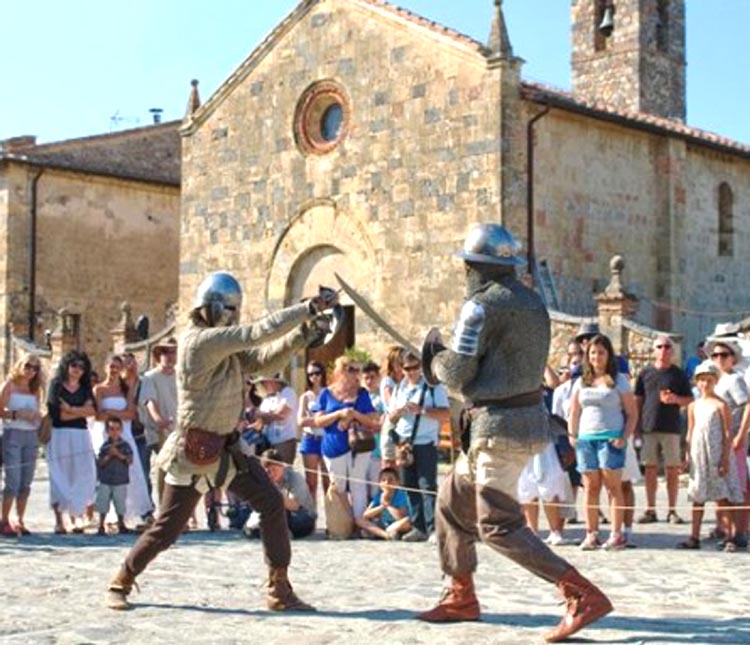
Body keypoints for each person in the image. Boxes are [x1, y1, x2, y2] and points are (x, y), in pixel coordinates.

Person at [418, 223, 612, 643]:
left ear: (476, 266)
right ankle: (461, 594)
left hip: (497, 430)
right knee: (452, 499)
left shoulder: (479, 307)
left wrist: (433, 360)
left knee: (498, 524)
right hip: (522, 421)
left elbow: (457, 373)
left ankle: (581, 594)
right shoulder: (533, 302)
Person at [106, 270, 336, 611]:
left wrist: (303, 335)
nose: (231, 316)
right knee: (167, 530)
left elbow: (263, 360)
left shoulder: (223, 345)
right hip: (193, 451)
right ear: (209, 308)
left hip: (228, 449)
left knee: (272, 504)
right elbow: (257, 334)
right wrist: (307, 308)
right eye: (227, 309)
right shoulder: (199, 342)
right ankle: (121, 580)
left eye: (234, 310)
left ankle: (279, 589)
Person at [568, 334, 638, 551]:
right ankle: (592, 533)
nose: (596, 356)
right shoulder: (581, 382)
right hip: (587, 440)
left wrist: (624, 437)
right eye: (592, 353)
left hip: (610, 439)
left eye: (600, 352)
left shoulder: (619, 381)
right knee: (590, 488)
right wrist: (573, 435)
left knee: (613, 487)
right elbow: (574, 412)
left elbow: (632, 413)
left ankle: (616, 534)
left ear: (608, 355)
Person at [678, 360, 743, 549]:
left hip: (716, 455)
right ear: (697, 382)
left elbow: (727, 433)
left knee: (722, 496)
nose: (705, 384)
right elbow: (690, 431)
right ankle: (694, 536)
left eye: (708, 380)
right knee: (697, 496)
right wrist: (687, 456)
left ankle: (729, 536)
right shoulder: (693, 406)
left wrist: (724, 459)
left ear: (714, 381)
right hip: (699, 456)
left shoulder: (721, 405)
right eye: (701, 380)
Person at [388, 350, 450, 541]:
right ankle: (418, 527)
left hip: (425, 442)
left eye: (415, 368)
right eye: (408, 369)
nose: (412, 372)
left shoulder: (433, 388)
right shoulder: (399, 388)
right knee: (409, 486)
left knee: (427, 486)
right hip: (404, 443)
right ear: (402, 369)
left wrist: (421, 410)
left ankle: (434, 529)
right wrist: (398, 412)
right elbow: (390, 417)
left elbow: (445, 414)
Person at [311, 356, 380, 522]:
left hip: (359, 445)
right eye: (351, 369)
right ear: (340, 371)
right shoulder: (326, 393)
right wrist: (338, 414)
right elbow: (317, 421)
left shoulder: (362, 393)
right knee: (338, 485)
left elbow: (373, 421)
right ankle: (341, 524)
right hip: (334, 446)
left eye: (357, 370)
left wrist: (354, 415)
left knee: (358, 485)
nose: (356, 373)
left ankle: (360, 524)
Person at [635, 335, 693, 524]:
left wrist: (675, 399)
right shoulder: (645, 374)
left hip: (671, 427)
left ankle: (672, 509)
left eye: (667, 346)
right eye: (659, 346)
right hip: (648, 427)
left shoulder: (678, 374)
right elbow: (638, 401)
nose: (663, 350)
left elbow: (690, 400)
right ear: (654, 350)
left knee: (672, 469)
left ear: (672, 350)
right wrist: (636, 428)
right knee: (650, 469)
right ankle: (650, 509)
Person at [92, 355, 153, 523]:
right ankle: (108, 515)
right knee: (107, 471)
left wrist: (111, 415)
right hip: (104, 434)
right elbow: (98, 415)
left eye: (117, 367)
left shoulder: (126, 390)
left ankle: (131, 513)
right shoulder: (99, 389)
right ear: (106, 368)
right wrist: (118, 416)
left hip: (124, 433)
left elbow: (131, 414)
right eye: (111, 366)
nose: (114, 370)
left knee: (131, 473)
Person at [47, 351, 97, 534]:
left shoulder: (84, 388)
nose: (78, 370)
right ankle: (59, 519)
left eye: (82, 367)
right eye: (74, 365)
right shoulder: (56, 385)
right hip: (60, 434)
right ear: (67, 366)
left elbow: (93, 411)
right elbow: (56, 414)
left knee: (83, 474)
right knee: (59, 475)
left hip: (81, 435)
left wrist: (70, 409)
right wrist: (80, 411)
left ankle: (77, 516)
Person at [708, 338, 750, 551]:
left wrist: (741, 434)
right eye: (715, 355)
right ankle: (724, 528)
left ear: (732, 358)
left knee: (738, 486)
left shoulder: (735, 380)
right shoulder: (717, 380)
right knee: (723, 486)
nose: (719, 359)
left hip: (733, 440)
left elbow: (747, 406)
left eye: (724, 355)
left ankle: (740, 531)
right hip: (718, 440)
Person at [0, 355, 44, 536]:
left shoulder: (35, 390)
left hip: (31, 436)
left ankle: (20, 519)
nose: (30, 371)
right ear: (20, 365)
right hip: (13, 434)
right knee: (13, 480)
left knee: (26, 481)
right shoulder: (9, 384)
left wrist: (38, 416)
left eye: (35, 368)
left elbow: (39, 409)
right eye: (28, 366)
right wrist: (18, 414)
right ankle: (4, 521)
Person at [139, 338, 178, 509]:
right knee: (164, 471)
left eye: (172, 352)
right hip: (160, 432)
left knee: (183, 473)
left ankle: (183, 513)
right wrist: (159, 420)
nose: (169, 356)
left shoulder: (181, 375)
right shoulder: (150, 377)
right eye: (165, 352)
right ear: (158, 355)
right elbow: (149, 401)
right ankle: (164, 509)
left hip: (180, 430)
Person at [257, 448, 317, 538]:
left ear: (282, 466)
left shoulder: (295, 477)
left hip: (302, 516)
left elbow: (295, 506)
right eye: (268, 471)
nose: (272, 473)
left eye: (274, 469)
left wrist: (274, 492)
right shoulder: (265, 480)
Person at [95, 416, 134, 536]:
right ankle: (101, 525)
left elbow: (130, 460)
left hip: (120, 479)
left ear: (121, 430)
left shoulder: (125, 445)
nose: (115, 431)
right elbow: (100, 462)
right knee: (103, 503)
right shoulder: (104, 446)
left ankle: (121, 524)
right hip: (105, 480)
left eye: (117, 429)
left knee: (120, 503)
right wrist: (108, 456)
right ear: (107, 431)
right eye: (111, 429)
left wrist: (118, 454)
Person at [297, 361, 329, 502]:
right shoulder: (305, 396)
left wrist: (314, 420)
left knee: (328, 481)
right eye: (310, 374)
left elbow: (333, 417)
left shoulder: (329, 393)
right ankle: (312, 518)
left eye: (317, 373)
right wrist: (318, 420)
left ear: (322, 374)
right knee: (311, 483)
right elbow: (300, 421)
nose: (314, 377)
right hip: (310, 438)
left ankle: (332, 520)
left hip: (326, 438)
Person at [357, 467, 411, 540]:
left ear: (397, 482)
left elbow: (400, 517)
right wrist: (382, 506)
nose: (387, 483)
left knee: (408, 521)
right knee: (359, 520)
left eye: (390, 480)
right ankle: (386, 535)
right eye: (383, 480)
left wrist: (388, 505)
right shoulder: (379, 495)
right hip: (382, 524)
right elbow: (366, 515)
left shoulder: (401, 495)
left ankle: (385, 532)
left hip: (397, 524)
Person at [255, 374, 298, 465]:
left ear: (273, 381)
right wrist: (268, 415)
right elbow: (258, 417)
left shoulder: (288, 392)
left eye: (264, 382)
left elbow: (281, 414)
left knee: (284, 473)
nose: (263, 385)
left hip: (284, 442)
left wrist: (264, 415)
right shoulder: (267, 398)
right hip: (267, 443)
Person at [362, 360, 386, 499]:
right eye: (367, 378)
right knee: (361, 487)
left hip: (377, 450)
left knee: (375, 487)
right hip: (361, 448)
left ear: (378, 377)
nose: (370, 381)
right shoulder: (360, 396)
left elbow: (383, 421)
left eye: (372, 377)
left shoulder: (383, 397)